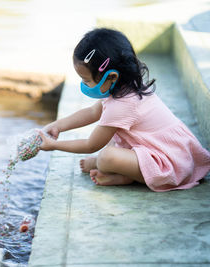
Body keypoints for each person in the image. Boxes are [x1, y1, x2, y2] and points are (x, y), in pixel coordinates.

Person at [38, 28, 210, 192]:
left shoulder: (121, 106)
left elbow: (91, 145)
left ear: (111, 76)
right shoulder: (125, 87)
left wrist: (54, 145)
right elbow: (92, 112)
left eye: (86, 80)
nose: (83, 85)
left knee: (106, 157)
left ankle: (126, 176)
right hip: (159, 148)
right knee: (113, 136)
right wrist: (58, 125)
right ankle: (123, 172)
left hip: (171, 163)